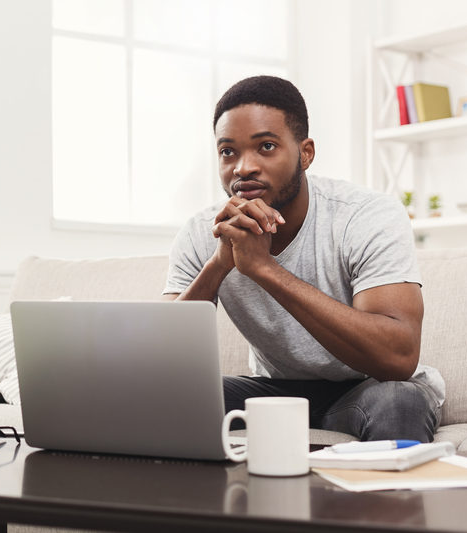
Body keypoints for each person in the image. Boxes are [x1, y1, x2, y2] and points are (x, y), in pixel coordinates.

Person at [162, 76, 443, 442]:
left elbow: (397, 359)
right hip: (274, 394)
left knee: (399, 401)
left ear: (305, 153)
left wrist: (266, 270)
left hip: (369, 388)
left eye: (265, 146)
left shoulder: (366, 215)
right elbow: (163, 364)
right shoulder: (204, 232)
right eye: (228, 151)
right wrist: (218, 265)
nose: (243, 167)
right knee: (170, 396)